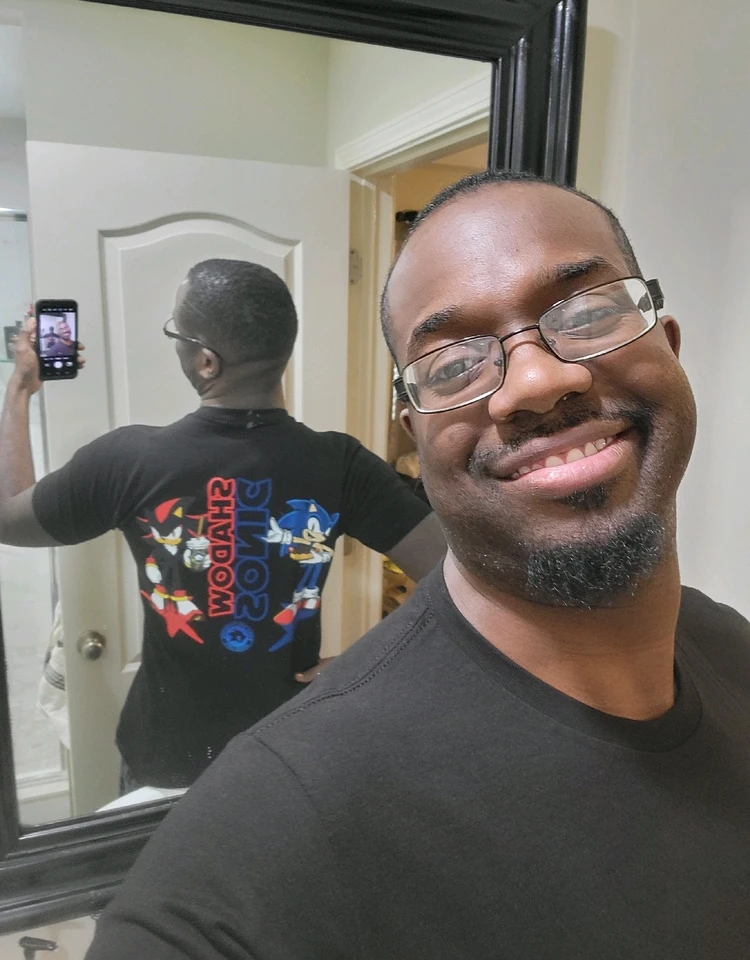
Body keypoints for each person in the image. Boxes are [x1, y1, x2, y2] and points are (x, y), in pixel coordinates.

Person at [85, 173, 750, 959]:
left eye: (589, 312)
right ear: (418, 433)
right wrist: (374, 670)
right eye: (452, 364)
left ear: (667, 346)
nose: (536, 380)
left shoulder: (732, 650)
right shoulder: (273, 827)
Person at [0, 259, 445, 792]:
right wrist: (371, 662)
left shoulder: (127, 460)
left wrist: (20, 388)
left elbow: (9, 515)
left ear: (206, 361)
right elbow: (461, 579)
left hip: (169, 760)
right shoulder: (340, 463)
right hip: (286, 756)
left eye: (175, 333)